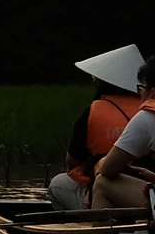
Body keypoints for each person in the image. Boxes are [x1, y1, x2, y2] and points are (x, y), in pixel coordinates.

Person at [55, 46, 150, 210]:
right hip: (145, 192)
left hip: (111, 192)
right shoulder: (148, 111)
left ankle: (79, 229)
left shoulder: (90, 114)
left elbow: (72, 166)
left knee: (57, 184)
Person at [90, 53, 155, 211]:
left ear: (152, 91)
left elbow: (108, 169)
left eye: (142, 88)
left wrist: (101, 162)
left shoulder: (148, 117)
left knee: (102, 183)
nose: (140, 93)